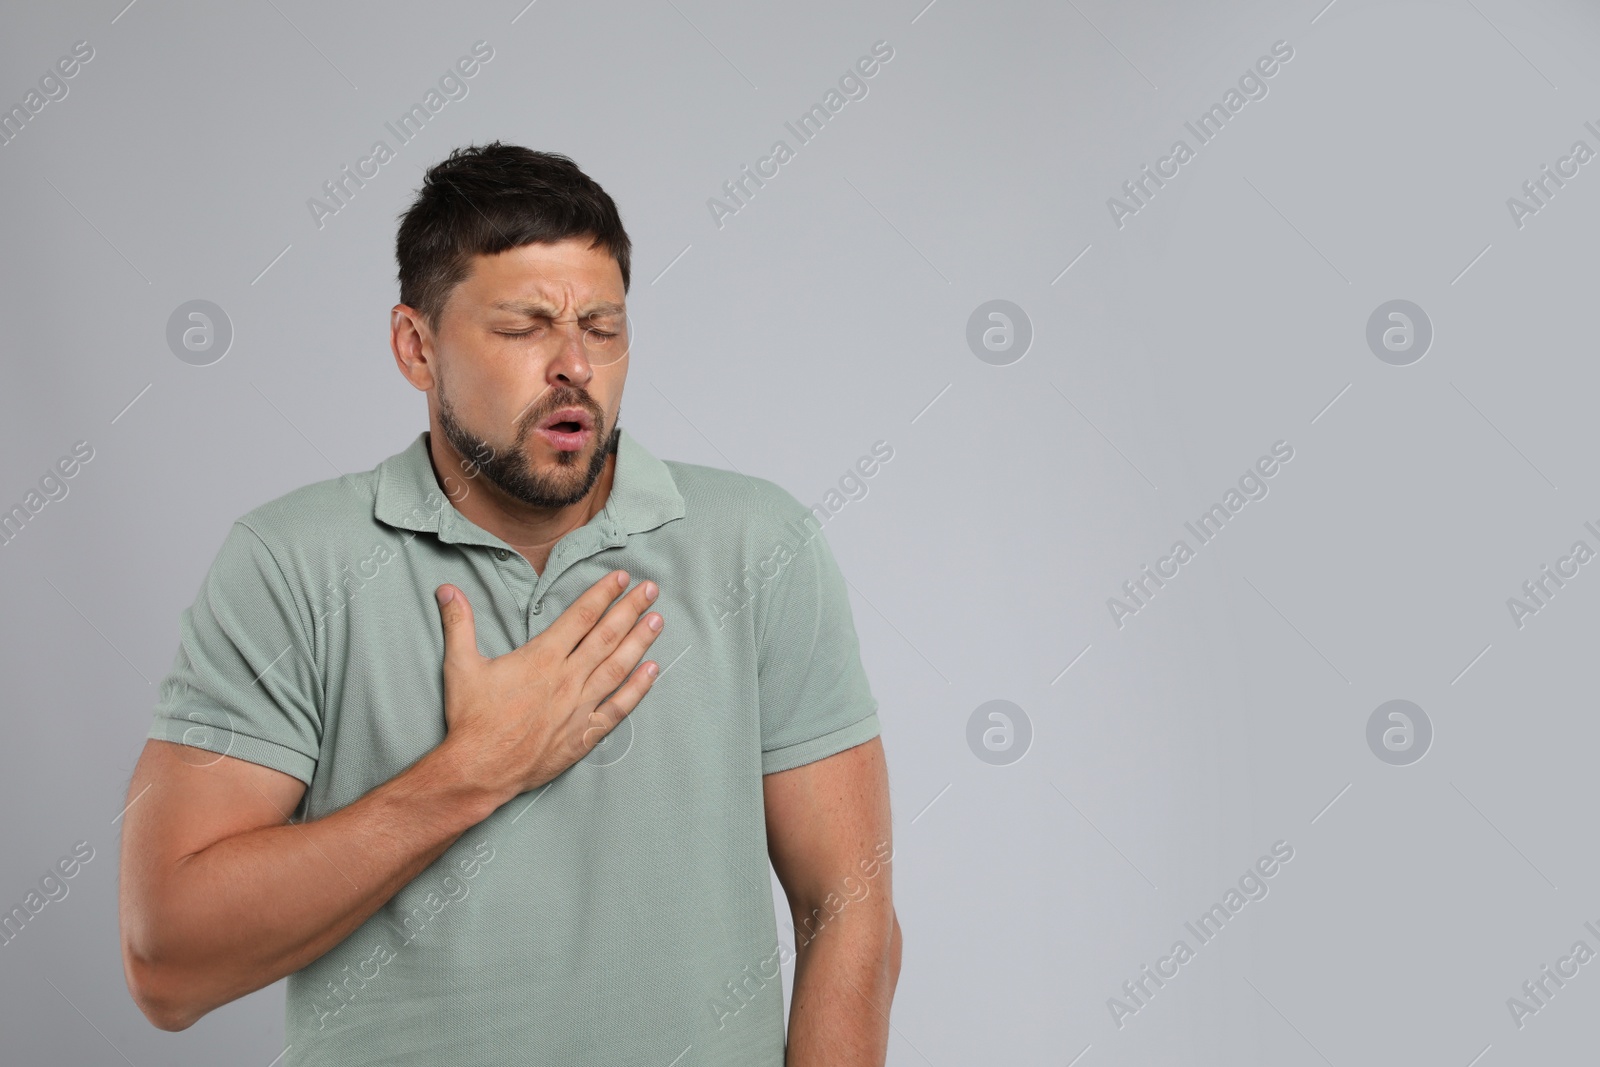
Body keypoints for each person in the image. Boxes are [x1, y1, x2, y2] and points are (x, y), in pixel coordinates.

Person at [118, 142, 901, 1066]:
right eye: (526, 326)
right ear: (417, 346)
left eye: (602, 328)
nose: (574, 365)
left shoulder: (760, 546)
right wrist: (475, 771)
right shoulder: (290, 563)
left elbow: (849, 913)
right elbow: (167, 965)